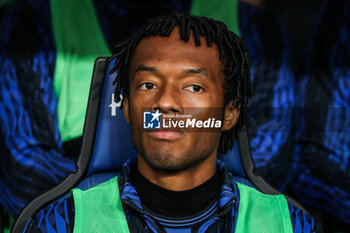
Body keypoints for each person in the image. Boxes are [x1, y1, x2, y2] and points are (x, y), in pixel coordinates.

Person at [22, 12, 321, 233]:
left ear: (229, 113)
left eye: (194, 87)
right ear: (127, 108)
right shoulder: (62, 222)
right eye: (148, 85)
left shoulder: (290, 225)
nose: (164, 103)